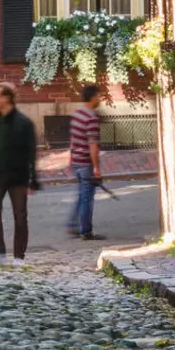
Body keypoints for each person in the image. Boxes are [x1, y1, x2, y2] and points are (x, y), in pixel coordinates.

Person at [0, 81, 40, 266]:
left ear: (6, 98)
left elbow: (31, 152)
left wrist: (33, 179)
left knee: (20, 216)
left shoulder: (24, 123)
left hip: (18, 176)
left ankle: (19, 256)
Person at [67, 83, 105, 241]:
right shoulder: (91, 118)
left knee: (82, 195)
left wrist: (71, 159)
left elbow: (73, 140)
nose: (100, 99)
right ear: (93, 97)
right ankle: (86, 231)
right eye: (98, 96)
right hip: (85, 163)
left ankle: (73, 225)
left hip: (76, 160)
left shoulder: (77, 114)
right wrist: (96, 167)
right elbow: (93, 145)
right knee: (87, 198)